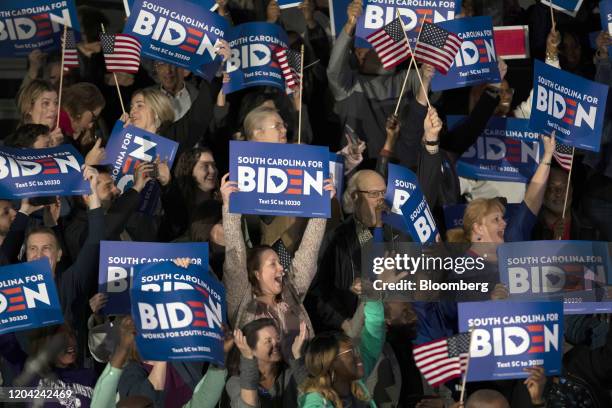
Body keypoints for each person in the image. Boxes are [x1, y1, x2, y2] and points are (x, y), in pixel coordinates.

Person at [221, 173, 333, 359]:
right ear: (256, 273)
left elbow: (309, 251)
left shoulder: (291, 291)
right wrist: (229, 206)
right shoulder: (241, 297)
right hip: (260, 381)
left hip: (300, 379)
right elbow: (235, 257)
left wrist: (322, 206)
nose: (281, 268)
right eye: (272, 264)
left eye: (280, 263)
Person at [299, 300, 385, 407]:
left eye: (355, 350)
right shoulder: (315, 402)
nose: (358, 356)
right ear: (330, 363)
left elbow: (374, 334)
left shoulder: (356, 385)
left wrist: (371, 294)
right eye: (351, 352)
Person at [226, 318, 308, 407]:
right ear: (251, 349)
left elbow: (313, 398)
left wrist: (297, 355)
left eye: (277, 338)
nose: (276, 343)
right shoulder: (236, 382)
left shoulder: (290, 373)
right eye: (268, 341)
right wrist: (248, 360)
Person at [16, 79, 64, 145]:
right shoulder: (17, 142)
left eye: (56, 103)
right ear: (29, 108)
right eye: (46, 103)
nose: (54, 108)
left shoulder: (62, 140)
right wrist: (51, 149)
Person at [59, 82, 106, 150]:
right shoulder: (56, 132)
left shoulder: (70, 134)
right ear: (81, 108)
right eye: (93, 118)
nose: (91, 125)